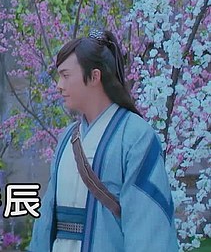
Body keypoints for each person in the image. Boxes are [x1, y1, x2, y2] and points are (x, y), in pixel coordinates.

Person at [28, 30, 179, 252]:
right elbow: (46, 218)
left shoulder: (136, 136)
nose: (59, 85)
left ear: (94, 76)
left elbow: (148, 223)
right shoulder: (67, 138)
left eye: (66, 75)